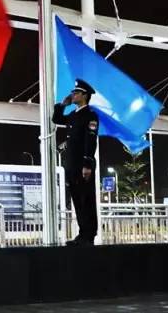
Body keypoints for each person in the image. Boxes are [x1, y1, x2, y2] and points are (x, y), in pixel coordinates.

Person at [52, 78, 99, 246]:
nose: (73, 95)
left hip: (82, 165)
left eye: (76, 92)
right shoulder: (74, 115)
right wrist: (62, 105)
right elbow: (57, 119)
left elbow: (90, 140)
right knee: (77, 200)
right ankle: (82, 233)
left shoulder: (90, 115)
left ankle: (89, 235)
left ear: (85, 95)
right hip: (71, 165)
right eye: (73, 92)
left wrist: (87, 164)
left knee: (86, 200)